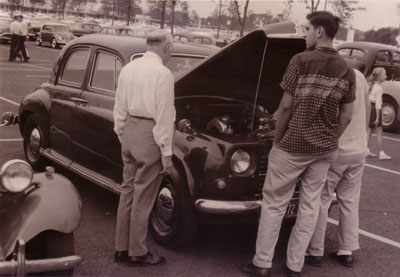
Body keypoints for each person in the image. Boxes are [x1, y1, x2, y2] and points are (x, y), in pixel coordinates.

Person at [241, 11, 355, 277]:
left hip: (293, 147)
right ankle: (295, 266)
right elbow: (347, 116)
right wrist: (330, 139)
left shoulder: (300, 60)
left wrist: (278, 141)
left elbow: (285, 105)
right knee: (310, 205)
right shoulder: (347, 69)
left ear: (319, 32)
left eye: (307, 29)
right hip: (325, 151)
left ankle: (262, 264)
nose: (304, 34)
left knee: (274, 204)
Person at [113, 29, 175, 267]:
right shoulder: (163, 73)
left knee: (127, 190)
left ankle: (121, 247)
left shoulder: (129, 68)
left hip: (129, 130)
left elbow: (119, 105)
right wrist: (166, 152)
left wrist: (122, 132)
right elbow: (164, 115)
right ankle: (137, 252)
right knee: (144, 195)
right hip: (150, 134)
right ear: (167, 47)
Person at [305, 69, 370, 268]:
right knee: (350, 200)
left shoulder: (336, 76)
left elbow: (336, 114)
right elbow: (367, 110)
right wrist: (364, 139)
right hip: (359, 148)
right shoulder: (359, 76)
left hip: (338, 149)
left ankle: (315, 250)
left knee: (322, 198)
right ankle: (347, 249)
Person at [366, 67, 391, 160]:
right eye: (384, 75)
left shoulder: (370, 85)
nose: (386, 76)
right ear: (380, 77)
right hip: (376, 110)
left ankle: (366, 150)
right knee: (379, 132)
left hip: (370, 108)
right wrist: (377, 117)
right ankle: (381, 153)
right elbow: (378, 104)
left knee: (369, 131)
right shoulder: (379, 88)